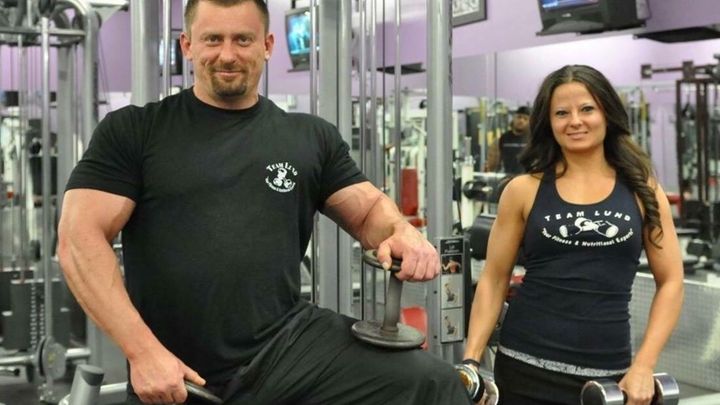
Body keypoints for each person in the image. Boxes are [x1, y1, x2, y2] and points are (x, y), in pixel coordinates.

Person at [57, 1, 472, 404]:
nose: (227, 55)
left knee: (432, 384)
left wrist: (400, 231)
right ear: (187, 45)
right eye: (212, 39)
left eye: (243, 40)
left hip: (288, 348)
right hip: (177, 369)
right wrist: (142, 352)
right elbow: (79, 238)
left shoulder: (308, 137)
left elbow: (366, 211)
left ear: (267, 45)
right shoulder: (134, 130)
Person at [463, 65, 684, 405]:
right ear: (548, 122)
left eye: (586, 109)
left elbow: (671, 281)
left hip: (607, 375)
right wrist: (471, 361)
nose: (575, 121)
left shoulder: (643, 191)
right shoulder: (523, 190)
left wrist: (644, 364)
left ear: (607, 113)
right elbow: (494, 278)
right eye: (562, 113)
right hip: (523, 366)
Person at [484, 106, 531, 174]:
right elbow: (494, 162)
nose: (521, 121)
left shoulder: (531, 139)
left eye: (525, 119)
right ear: (514, 118)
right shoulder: (503, 138)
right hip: (507, 176)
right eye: (519, 117)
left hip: (526, 177)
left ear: (529, 122)